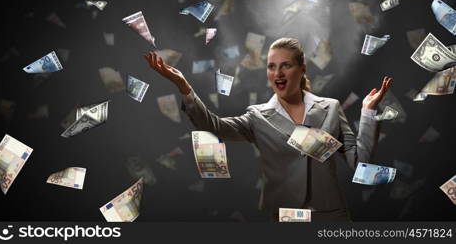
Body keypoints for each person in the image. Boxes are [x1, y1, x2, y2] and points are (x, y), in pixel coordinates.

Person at [144, 37, 392, 221]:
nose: (278, 73)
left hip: (331, 215)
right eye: (272, 66)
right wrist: (185, 87)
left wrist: (368, 111)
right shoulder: (257, 116)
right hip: (287, 217)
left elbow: (360, 162)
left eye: (286, 65)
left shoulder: (330, 107)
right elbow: (213, 125)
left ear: (302, 68)